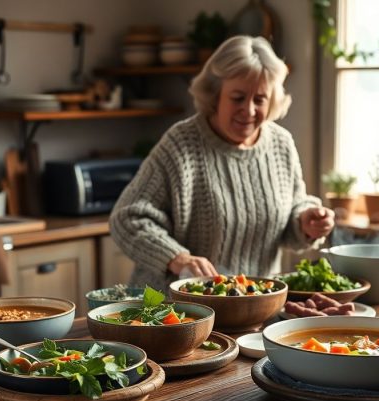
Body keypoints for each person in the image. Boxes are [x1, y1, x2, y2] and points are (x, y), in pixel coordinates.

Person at [110, 35, 335, 290]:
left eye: (259, 99)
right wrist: (176, 258)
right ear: (215, 95)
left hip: (253, 305)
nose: (249, 110)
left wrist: (306, 221)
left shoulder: (280, 144)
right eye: (238, 98)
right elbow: (127, 218)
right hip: (174, 310)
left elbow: (292, 208)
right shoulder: (182, 145)